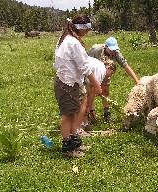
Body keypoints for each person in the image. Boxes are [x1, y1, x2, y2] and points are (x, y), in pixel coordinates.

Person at [53, 14, 102, 158]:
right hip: (66, 83)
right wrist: (97, 85)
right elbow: (85, 67)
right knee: (67, 115)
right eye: (86, 29)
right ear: (80, 28)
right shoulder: (73, 43)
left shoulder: (67, 39)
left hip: (70, 82)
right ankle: (68, 147)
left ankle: (76, 142)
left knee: (74, 112)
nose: (87, 32)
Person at [88, 37, 142, 122]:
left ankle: (107, 114)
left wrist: (137, 81)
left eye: (114, 49)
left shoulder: (116, 53)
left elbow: (126, 67)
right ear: (105, 46)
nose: (113, 51)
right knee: (91, 92)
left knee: (105, 92)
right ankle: (90, 112)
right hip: (92, 74)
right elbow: (86, 62)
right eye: (111, 49)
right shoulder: (96, 50)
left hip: (106, 73)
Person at [78, 56, 117, 131]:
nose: (110, 76)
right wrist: (88, 106)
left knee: (83, 99)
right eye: (111, 73)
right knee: (82, 100)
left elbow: (90, 87)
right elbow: (91, 91)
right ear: (108, 67)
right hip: (75, 73)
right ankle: (81, 123)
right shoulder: (101, 71)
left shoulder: (99, 65)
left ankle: (82, 120)